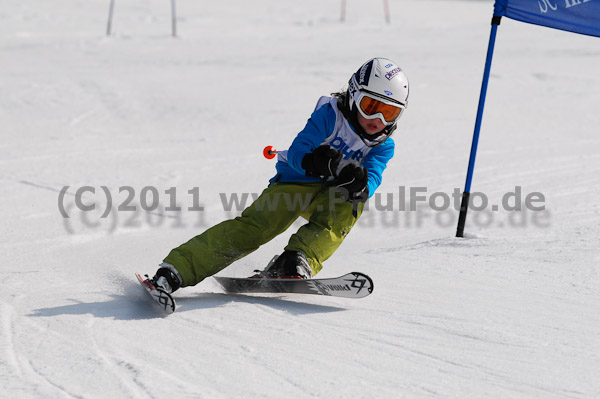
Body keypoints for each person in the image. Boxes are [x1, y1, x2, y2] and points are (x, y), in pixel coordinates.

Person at [148, 57, 410, 293]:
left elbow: (373, 178)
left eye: (389, 112)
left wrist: (362, 184)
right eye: (370, 105)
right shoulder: (330, 115)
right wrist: (314, 161)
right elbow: (299, 150)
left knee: (350, 205)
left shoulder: (383, 146)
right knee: (255, 229)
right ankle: (176, 271)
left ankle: (298, 260)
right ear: (353, 96)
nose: (377, 118)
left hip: (331, 197)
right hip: (297, 182)